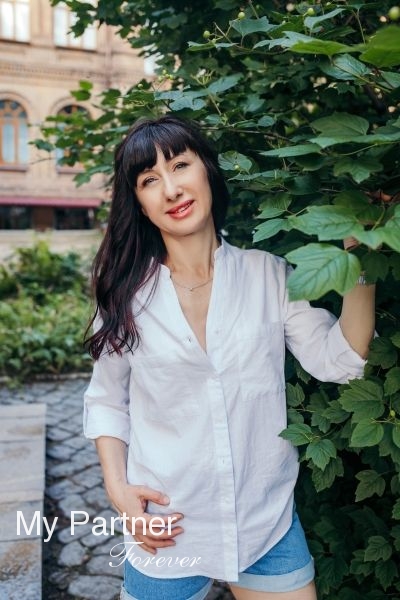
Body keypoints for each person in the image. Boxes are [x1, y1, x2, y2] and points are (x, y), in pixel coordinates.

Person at [83, 115, 376, 600]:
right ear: (139, 203)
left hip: (265, 525)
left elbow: (341, 360)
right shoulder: (125, 298)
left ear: (207, 170)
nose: (171, 189)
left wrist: (360, 255)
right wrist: (119, 491)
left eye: (180, 165)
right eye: (150, 180)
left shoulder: (270, 276)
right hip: (167, 527)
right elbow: (107, 400)